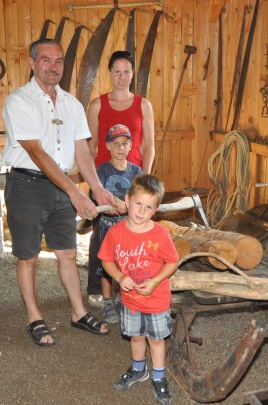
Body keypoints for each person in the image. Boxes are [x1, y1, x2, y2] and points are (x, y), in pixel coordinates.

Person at [2, 38, 117, 347]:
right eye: (46, 60)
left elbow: (81, 150)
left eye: (59, 61)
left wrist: (96, 188)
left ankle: (78, 313)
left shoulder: (71, 104)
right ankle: (34, 316)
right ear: (32, 63)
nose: (53, 66)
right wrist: (74, 193)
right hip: (27, 185)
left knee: (66, 253)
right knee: (28, 257)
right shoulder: (19, 101)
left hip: (61, 186)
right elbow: (37, 153)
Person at [98, 174, 179, 405]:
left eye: (149, 207)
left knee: (156, 339)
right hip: (131, 300)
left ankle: (158, 376)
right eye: (138, 204)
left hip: (156, 301)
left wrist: (155, 281)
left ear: (156, 210)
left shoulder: (160, 235)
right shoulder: (116, 232)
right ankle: (138, 369)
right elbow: (106, 260)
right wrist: (120, 276)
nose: (142, 211)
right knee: (135, 337)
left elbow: (172, 262)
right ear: (127, 199)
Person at [86, 51, 156, 304]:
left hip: (132, 180)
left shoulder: (143, 105)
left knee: (133, 236)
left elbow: (149, 146)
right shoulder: (97, 105)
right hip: (104, 181)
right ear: (110, 73)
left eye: (127, 71)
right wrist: (94, 185)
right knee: (102, 236)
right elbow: (91, 145)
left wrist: (144, 182)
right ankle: (97, 287)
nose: (122, 76)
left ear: (132, 74)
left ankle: (131, 288)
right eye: (117, 71)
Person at [92, 124, 143, 324]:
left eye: (124, 143)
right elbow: (98, 195)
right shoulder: (102, 170)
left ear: (130, 146)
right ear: (108, 146)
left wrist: (132, 205)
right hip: (107, 226)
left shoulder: (136, 170)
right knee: (107, 265)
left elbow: (140, 194)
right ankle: (107, 301)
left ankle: (123, 298)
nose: (120, 148)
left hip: (128, 227)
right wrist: (113, 203)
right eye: (116, 144)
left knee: (128, 263)